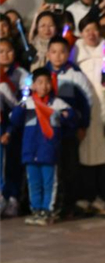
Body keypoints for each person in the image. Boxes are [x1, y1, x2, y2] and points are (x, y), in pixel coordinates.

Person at [6, 67, 75, 225]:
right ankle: (36, 209)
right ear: (33, 85)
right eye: (40, 82)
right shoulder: (28, 104)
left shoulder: (57, 103)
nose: (44, 86)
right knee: (34, 183)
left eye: (47, 82)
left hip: (48, 151)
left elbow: (71, 118)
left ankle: (48, 210)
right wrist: (22, 105)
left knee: (49, 182)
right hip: (31, 151)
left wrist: (65, 115)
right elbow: (14, 119)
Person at [45, 36, 93, 216]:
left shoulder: (76, 75)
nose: (58, 56)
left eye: (62, 52)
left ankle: (69, 205)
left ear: (69, 54)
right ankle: (50, 204)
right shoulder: (41, 75)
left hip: (69, 133)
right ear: (48, 53)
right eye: (54, 52)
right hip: (48, 133)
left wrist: (83, 126)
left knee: (69, 169)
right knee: (51, 169)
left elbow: (86, 102)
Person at [73, 16, 105, 213]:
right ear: (81, 33)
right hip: (84, 110)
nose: (91, 34)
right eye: (86, 30)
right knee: (84, 154)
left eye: (94, 29)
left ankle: (103, 197)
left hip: (104, 109)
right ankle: (84, 195)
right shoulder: (75, 52)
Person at [0, 37, 28, 218]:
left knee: (11, 163)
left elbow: (23, 101)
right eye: (1, 51)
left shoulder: (21, 73)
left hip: (14, 124)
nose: (5, 55)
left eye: (8, 50)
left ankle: (13, 198)